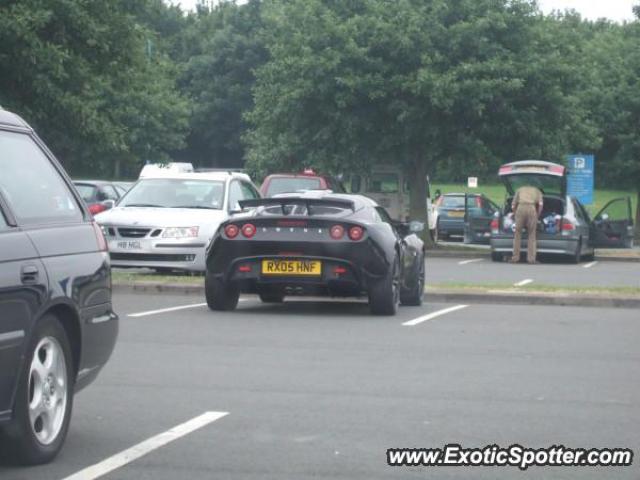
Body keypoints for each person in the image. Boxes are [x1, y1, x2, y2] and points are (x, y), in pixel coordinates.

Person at [511, 185, 543, 264]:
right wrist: (537, 215)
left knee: (517, 234)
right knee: (532, 234)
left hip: (520, 208)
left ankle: (515, 258)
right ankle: (531, 259)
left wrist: (515, 213)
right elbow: (541, 205)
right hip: (531, 208)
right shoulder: (537, 191)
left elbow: (513, 204)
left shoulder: (519, 189)